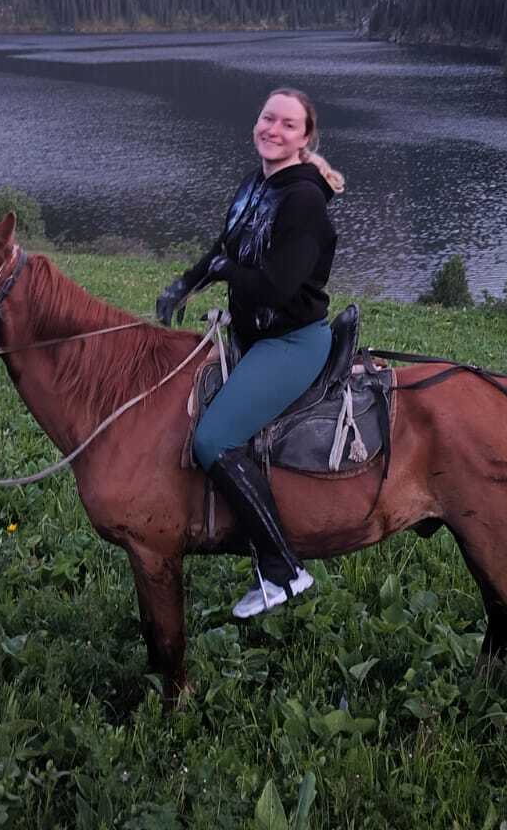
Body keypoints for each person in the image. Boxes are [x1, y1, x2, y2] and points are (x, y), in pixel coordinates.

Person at [155, 87, 344, 619]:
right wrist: (186, 284)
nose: (273, 130)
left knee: (213, 438)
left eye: (288, 124)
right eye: (268, 118)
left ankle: (284, 569)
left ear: (305, 138)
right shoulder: (254, 184)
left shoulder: (304, 201)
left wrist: (225, 273)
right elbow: (226, 247)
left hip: (290, 341)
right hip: (250, 333)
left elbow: (279, 286)